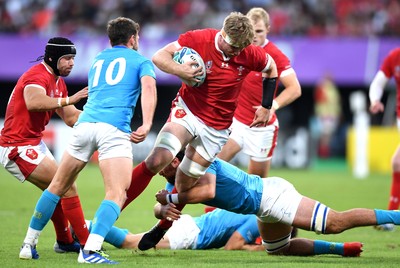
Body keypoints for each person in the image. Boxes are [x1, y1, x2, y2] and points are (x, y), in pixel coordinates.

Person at [121, 11, 278, 241]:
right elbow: (158, 57)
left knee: (184, 185)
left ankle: (162, 228)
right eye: (233, 46)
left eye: (240, 49)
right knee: (157, 159)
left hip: (216, 130)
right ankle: (113, 211)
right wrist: (180, 70)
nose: (236, 52)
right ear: (222, 33)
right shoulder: (198, 39)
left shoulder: (249, 53)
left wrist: (266, 106)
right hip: (188, 112)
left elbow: (271, 69)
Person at [22, 17, 157, 264]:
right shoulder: (141, 61)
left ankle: (28, 244)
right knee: (117, 193)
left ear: (110, 39)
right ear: (133, 39)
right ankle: (91, 251)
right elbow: (148, 89)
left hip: (84, 126)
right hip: (114, 129)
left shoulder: (97, 59)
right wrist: (147, 123)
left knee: (57, 186)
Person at [140, 153, 365, 256]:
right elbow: (232, 245)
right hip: (196, 232)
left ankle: (103, 228)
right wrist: (165, 205)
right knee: (130, 242)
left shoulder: (259, 212)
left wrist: (164, 206)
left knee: (131, 241)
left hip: (196, 227)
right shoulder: (257, 215)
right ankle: (102, 229)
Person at [0, 37, 88, 260]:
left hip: (32, 143)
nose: (71, 63)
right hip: (16, 145)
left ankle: (65, 241)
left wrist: (102, 119)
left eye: (73, 59)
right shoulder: (36, 75)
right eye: (67, 58)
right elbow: (33, 102)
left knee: (57, 190)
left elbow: (70, 118)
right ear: (53, 58)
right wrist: (69, 99)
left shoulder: (58, 81)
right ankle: (87, 244)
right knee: (66, 185)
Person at [218, 7, 301, 178]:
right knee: (213, 167)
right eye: (252, 30)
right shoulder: (237, 49)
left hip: (262, 128)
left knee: (256, 184)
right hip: (236, 123)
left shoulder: (275, 56)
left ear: (268, 30)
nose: (255, 35)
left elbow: (295, 88)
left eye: (260, 31)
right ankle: (214, 206)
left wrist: (273, 106)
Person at [83, 209, 263, 251]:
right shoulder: (258, 219)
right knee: (129, 243)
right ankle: (85, 226)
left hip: (190, 226)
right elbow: (232, 246)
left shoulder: (252, 210)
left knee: (131, 237)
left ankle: (84, 228)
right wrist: (260, 249)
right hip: (190, 234)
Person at [369, 47, 400, 231]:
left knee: (397, 162)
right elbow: (378, 83)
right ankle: (390, 218)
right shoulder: (395, 57)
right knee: (397, 163)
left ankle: (390, 218)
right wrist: (375, 100)